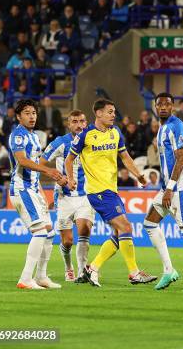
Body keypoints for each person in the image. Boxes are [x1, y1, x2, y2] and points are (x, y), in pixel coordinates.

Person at [65, 99, 156, 287]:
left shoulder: (116, 133)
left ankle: (93, 268)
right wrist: (71, 178)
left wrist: (138, 175)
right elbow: (69, 159)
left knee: (118, 233)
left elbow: (125, 157)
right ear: (98, 113)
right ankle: (134, 273)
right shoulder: (85, 135)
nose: (113, 115)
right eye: (109, 112)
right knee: (126, 227)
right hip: (97, 192)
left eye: (114, 111)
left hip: (112, 191)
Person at [143, 93, 183, 292]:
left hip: (180, 188)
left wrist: (170, 188)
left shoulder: (177, 126)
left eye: (167, 104)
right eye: (159, 104)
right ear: (155, 107)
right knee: (149, 223)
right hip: (167, 188)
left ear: (173, 107)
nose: (163, 107)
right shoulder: (162, 129)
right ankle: (169, 270)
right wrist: (165, 187)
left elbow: (181, 160)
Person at [9, 99, 65, 289]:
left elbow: (33, 169)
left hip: (33, 189)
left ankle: (41, 276)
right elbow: (23, 161)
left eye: (34, 112)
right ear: (18, 116)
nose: (32, 116)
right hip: (21, 188)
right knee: (40, 232)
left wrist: (42, 194)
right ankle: (25, 278)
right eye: (27, 113)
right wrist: (47, 171)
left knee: (49, 231)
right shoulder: (18, 135)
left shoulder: (34, 136)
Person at [39, 110, 94, 282]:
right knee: (68, 241)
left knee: (84, 229)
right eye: (75, 121)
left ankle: (82, 272)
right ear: (69, 124)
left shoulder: (93, 141)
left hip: (86, 195)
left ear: (86, 123)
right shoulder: (60, 143)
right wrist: (59, 177)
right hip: (64, 197)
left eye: (82, 121)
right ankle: (68, 266)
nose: (79, 125)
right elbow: (40, 163)